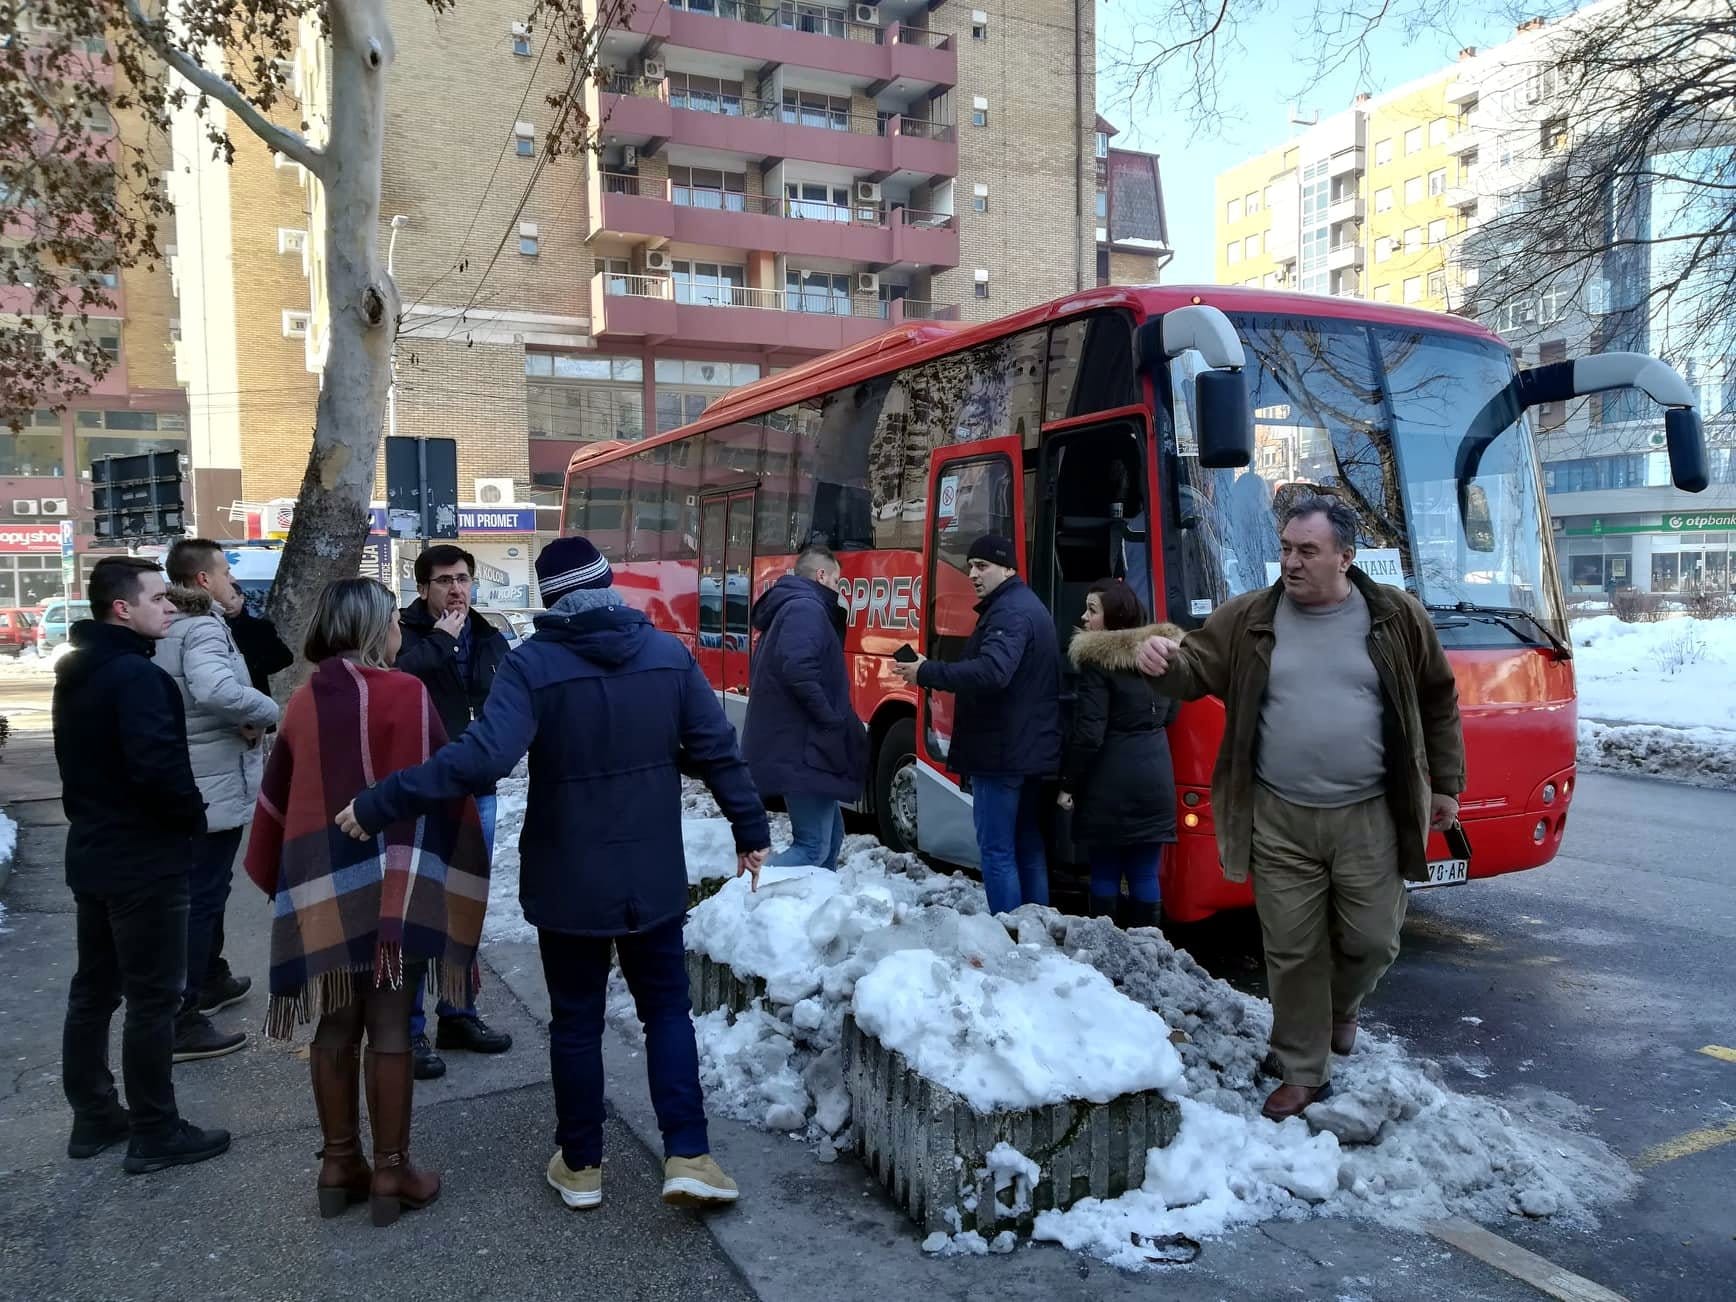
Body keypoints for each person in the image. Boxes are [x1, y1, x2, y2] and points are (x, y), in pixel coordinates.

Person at [336, 537, 770, 1212]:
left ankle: (582, 1164)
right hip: (651, 873)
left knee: (575, 1022)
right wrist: (751, 830)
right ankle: (690, 1154)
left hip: (568, 878)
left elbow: (481, 759)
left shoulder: (533, 664)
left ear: (553, 598)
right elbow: (717, 748)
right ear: (608, 585)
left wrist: (380, 800)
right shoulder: (666, 654)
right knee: (666, 1013)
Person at [1133, 494, 1464, 1121]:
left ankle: (1342, 1007)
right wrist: (1160, 661)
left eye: (1306, 550)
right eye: (1285, 548)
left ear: (1345, 556)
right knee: (1291, 946)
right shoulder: (1251, 617)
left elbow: (1437, 698)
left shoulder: (1395, 617)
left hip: (1369, 812)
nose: (1290, 562)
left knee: (1372, 940)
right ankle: (1302, 1067)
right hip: (1279, 813)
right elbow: (1194, 669)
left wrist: (1445, 783)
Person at [244, 578, 490, 1225]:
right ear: (374, 627)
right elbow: (444, 786)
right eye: (392, 621)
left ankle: (337, 1163)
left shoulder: (301, 703)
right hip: (396, 889)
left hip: (323, 887)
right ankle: (391, 1171)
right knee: (389, 1024)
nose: (399, 631)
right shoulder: (406, 695)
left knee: (334, 1024)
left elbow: (278, 805)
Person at [53, 556, 231, 1174]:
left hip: (95, 851)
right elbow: (159, 770)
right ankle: (155, 1129)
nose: (172, 606)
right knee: (153, 999)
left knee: (95, 991)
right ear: (122, 608)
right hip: (143, 858)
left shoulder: (78, 668)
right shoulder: (138, 678)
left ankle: (95, 1114)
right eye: (159, 598)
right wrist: (190, 819)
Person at [890, 534, 1062, 914]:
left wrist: (927, 671)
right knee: (1027, 844)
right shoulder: (1024, 606)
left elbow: (993, 671)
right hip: (1029, 750)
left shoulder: (1009, 613)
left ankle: (1009, 930)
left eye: (982, 566)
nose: (972, 574)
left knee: (997, 849)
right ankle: (1036, 930)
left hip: (1001, 752)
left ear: (1009, 568)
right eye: (970, 566)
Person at [158, 539, 282, 1062]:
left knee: (203, 887)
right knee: (203, 892)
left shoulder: (169, 625)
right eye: (225, 570)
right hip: (211, 778)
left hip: (194, 776)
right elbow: (214, 689)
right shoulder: (203, 626)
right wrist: (268, 710)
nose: (232, 579)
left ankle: (208, 979)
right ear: (204, 580)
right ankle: (182, 1016)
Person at [393, 544, 514, 1078]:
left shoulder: (489, 635)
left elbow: (506, 702)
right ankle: (409, 1029)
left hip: (477, 789)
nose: (457, 589)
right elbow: (396, 682)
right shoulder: (403, 633)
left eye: (463, 578)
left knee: (464, 906)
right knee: (420, 910)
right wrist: (441, 639)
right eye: (444, 580)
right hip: (422, 790)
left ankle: (457, 1012)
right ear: (423, 588)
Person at [1057, 579, 1181, 928]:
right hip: (1157, 779)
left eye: (1092, 610)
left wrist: (1068, 783)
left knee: (1106, 871)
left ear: (1114, 616)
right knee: (1144, 872)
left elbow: (1090, 733)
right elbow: (1172, 713)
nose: (1083, 617)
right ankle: (1149, 951)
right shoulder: (1165, 653)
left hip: (1109, 785)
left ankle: (1106, 954)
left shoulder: (1099, 662)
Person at [741, 544, 866, 870]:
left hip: (804, 747)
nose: (839, 591)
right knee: (812, 847)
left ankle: (816, 911)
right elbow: (797, 667)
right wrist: (830, 718)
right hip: (803, 748)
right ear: (822, 575)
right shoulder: (806, 609)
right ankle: (748, 892)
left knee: (831, 840)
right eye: (838, 582)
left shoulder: (794, 606)